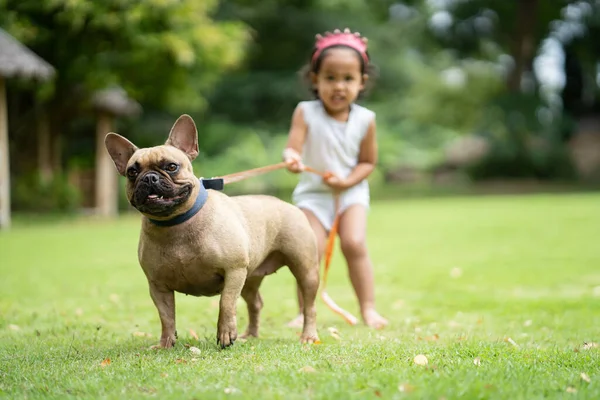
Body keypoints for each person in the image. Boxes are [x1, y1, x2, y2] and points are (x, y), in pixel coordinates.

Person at [282, 28, 388, 329]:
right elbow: (294, 146)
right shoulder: (305, 112)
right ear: (315, 79)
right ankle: (305, 312)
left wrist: (347, 182)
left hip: (351, 193)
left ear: (361, 82)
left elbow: (368, 162)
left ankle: (368, 309)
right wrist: (292, 158)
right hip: (313, 195)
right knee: (309, 248)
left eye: (348, 79)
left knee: (354, 244)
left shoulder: (366, 119)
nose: (338, 86)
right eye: (330, 77)